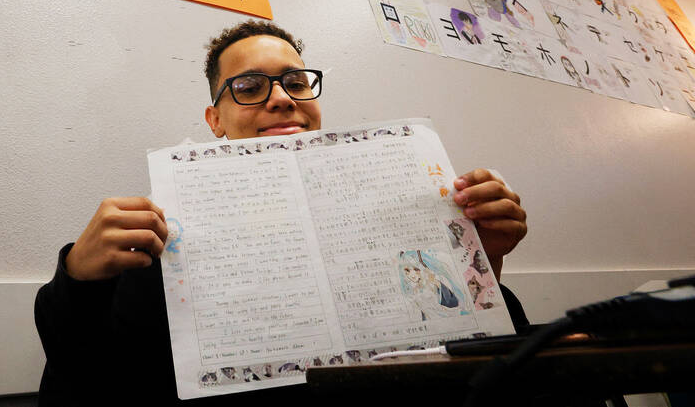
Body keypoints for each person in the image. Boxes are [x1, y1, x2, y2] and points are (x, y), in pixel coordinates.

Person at [34, 20, 529, 404]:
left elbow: (472, 371)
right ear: (215, 120)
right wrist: (77, 278)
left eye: (296, 82)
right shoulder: (159, 242)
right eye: (249, 87)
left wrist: (482, 262)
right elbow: (87, 382)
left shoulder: (399, 205)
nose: (280, 99)